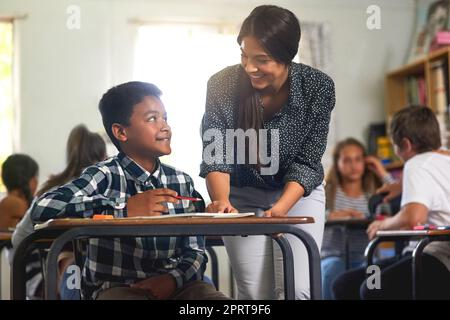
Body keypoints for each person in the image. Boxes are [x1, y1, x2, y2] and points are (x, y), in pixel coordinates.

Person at [30, 81, 228, 300]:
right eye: (152, 119)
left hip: (177, 286)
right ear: (121, 132)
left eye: (165, 117)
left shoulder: (181, 181)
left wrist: (172, 279)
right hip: (117, 289)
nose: (165, 127)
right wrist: (123, 210)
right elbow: (44, 207)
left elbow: (196, 251)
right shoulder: (104, 175)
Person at [200, 5, 335, 299]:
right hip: (241, 194)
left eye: (261, 59)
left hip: (298, 195)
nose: (249, 67)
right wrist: (221, 202)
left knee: (297, 289)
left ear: (286, 57)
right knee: (255, 294)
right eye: (244, 56)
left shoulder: (317, 87)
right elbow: (216, 153)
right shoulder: (222, 84)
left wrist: (281, 209)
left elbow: (307, 161)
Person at [333, 105, 450, 300]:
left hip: (433, 259)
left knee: (371, 289)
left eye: (395, 145)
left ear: (406, 144)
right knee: (346, 284)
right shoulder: (444, 157)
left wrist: (382, 225)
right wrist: (402, 185)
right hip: (426, 256)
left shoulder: (416, 164)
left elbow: (413, 217)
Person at [11, 124, 107, 299]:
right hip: (72, 275)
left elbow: (18, 238)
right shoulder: (108, 190)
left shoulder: (52, 190)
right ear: (103, 158)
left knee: (72, 258)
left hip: (48, 272)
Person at [320, 138, 395, 299]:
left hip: (366, 255)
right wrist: (331, 215)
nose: (353, 166)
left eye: (358, 160)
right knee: (332, 271)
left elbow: (398, 199)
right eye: (347, 160)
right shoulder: (328, 191)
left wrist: (381, 170)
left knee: (375, 273)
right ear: (337, 164)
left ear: (365, 162)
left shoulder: (373, 193)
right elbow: (312, 213)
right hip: (334, 256)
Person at [0, 154, 38, 229]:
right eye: (35, 176)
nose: (37, 181)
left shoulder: (10, 201)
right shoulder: (14, 202)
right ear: (30, 180)